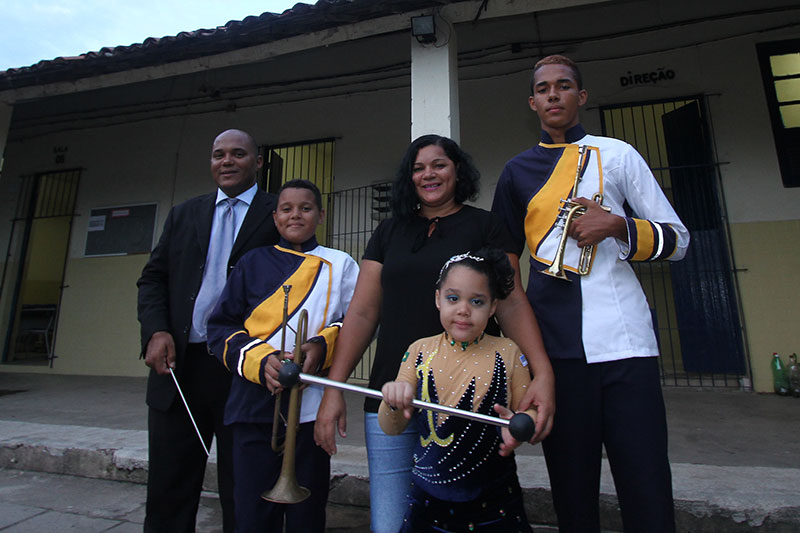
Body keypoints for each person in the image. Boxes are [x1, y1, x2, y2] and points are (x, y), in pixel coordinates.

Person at [314, 134, 555, 533]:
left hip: (467, 405)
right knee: (390, 524)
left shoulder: (486, 227)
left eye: (439, 164)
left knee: (463, 521)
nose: (429, 174)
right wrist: (332, 389)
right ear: (409, 178)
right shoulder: (389, 232)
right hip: (390, 393)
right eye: (418, 167)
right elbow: (361, 313)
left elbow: (512, 303)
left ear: (457, 170)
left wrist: (542, 372)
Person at [491, 54, 690, 532]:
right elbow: (504, 269)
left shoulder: (618, 154)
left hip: (627, 346)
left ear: (581, 97)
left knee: (646, 487)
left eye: (563, 86)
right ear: (533, 102)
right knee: (572, 493)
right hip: (558, 353)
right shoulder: (516, 173)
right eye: (544, 88)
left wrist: (619, 225)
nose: (553, 94)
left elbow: (678, 240)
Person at [137, 129, 279, 532]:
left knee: (244, 482)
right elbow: (152, 280)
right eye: (219, 155)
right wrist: (156, 331)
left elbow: (302, 283)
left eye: (238, 153)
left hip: (244, 369)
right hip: (180, 366)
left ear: (258, 162)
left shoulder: (277, 213)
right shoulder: (185, 213)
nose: (227, 161)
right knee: (170, 482)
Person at [207, 179, 359, 532]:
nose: (295, 215)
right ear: (275, 217)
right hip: (252, 407)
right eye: (286, 209)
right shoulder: (251, 262)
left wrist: (321, 346)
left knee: (308, 511)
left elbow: (355, 324)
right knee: (251, 511)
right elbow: (220, 328)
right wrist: (260, 361)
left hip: (312, 407)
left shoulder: (341, 263)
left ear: (321, 215)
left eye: (305, 208)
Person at [380, 248, 536, 532]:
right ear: (438, 298)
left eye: (477, 301)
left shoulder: (509, 352)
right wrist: (392, 400)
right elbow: (391, 428)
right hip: (428, 505)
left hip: (495, 503)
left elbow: (529, 412)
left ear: (492, 307)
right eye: (454, 298)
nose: (464, 309)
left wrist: (521, 427)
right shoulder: (419, 351)